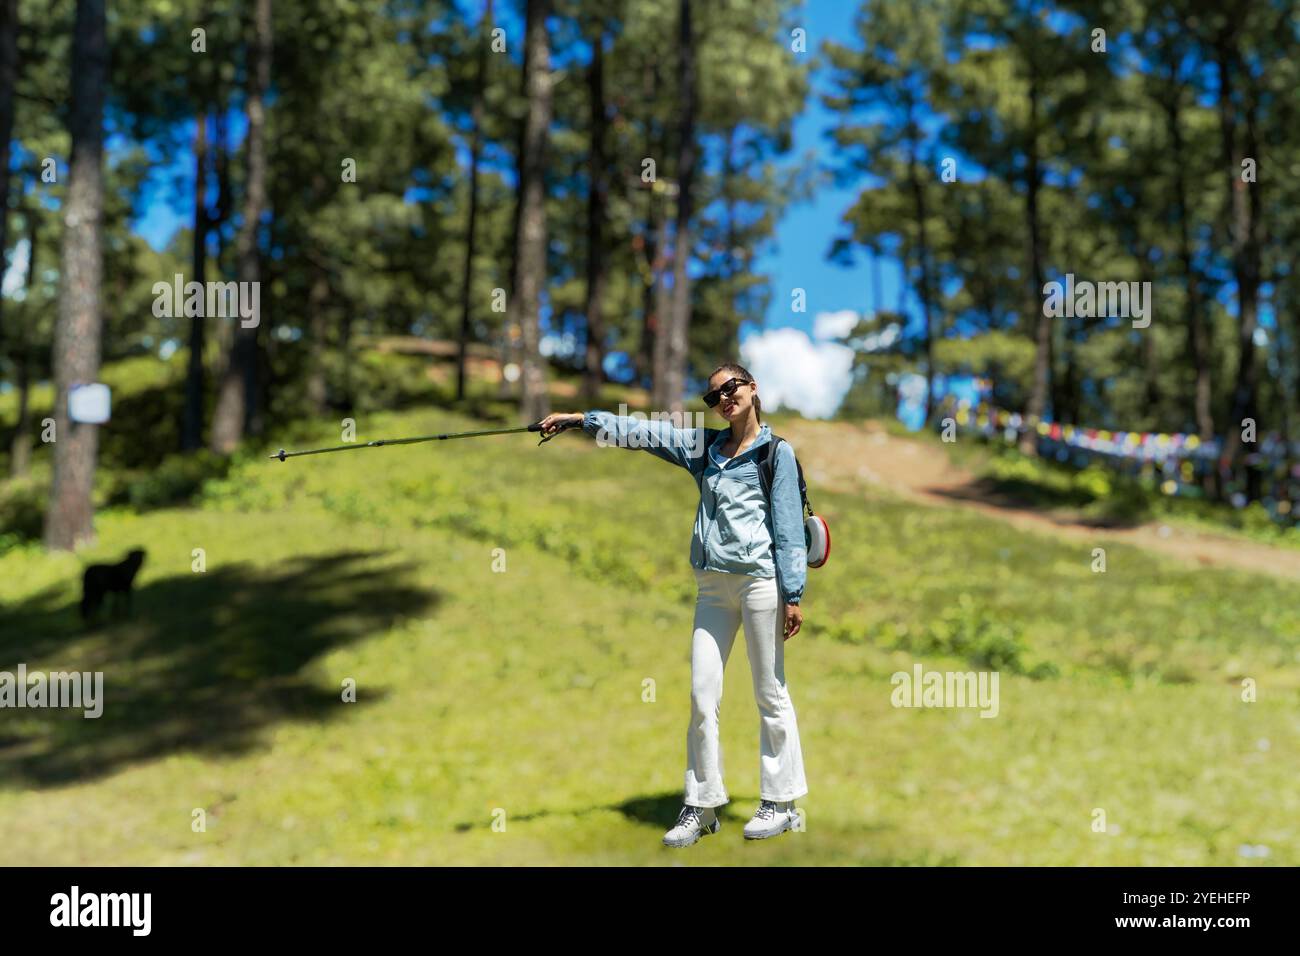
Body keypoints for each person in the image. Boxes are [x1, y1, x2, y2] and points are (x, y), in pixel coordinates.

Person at [539, 362, 808, 846]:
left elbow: (789, 530)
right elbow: (646, 433)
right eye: (713, 397)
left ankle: (782, 802)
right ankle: (701, 804)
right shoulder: (705, 448)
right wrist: (584, 419)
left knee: (770, 693)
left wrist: (794, 594)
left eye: (731, 389)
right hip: (712, 588)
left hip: (761, 586)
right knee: (702, 695)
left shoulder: (776, 454)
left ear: (752, 389)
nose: (724, 399)